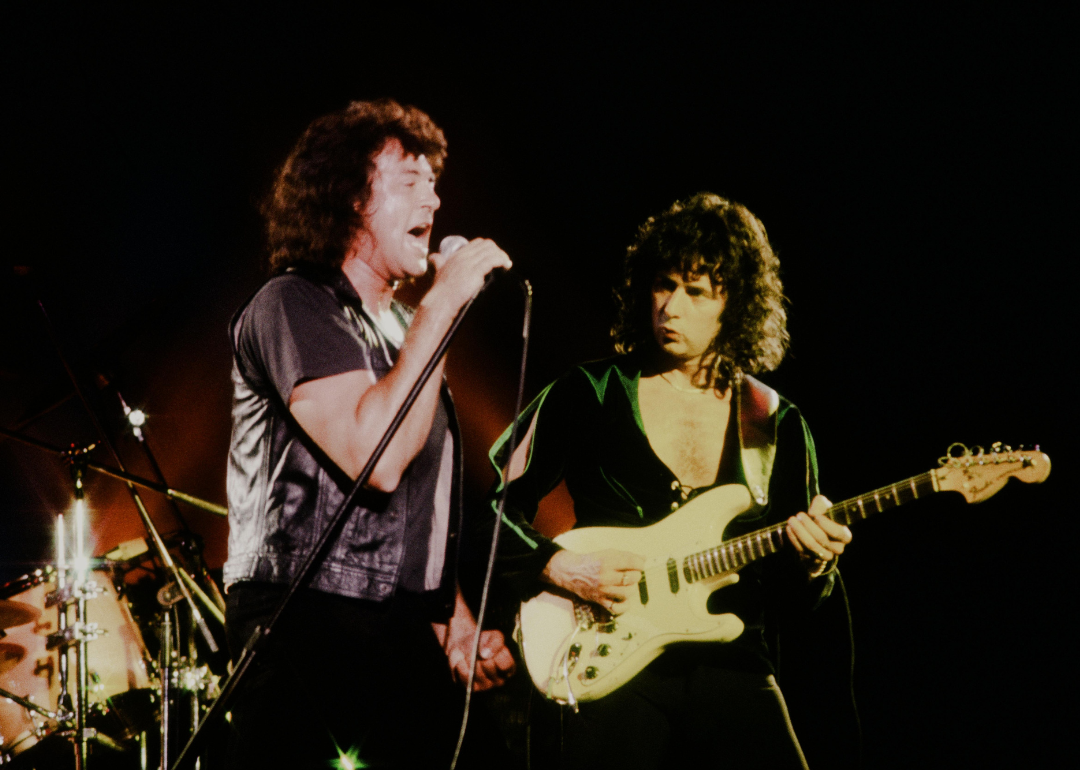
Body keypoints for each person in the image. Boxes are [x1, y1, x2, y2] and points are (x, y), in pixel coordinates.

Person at [488, 193, 852, 769]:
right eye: (663, 285)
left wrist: (815, 564)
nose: (670, 308)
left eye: (696, 291)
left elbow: (794, 596)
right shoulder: (590, 392)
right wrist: (557, 566)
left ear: (736, 303)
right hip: (607, 660)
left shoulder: (776, 422)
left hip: (731, 663)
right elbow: (485, 507)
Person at [222, 98, 516, 769]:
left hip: (398, 625)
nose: (434, 201)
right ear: (349, 199)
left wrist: (455, 624)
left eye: (434, 184)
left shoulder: (402, 334)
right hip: (307, 621)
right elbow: (373, 459)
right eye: (409, 183)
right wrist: (442, 305)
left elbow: (415, 505)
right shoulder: (292, 303)